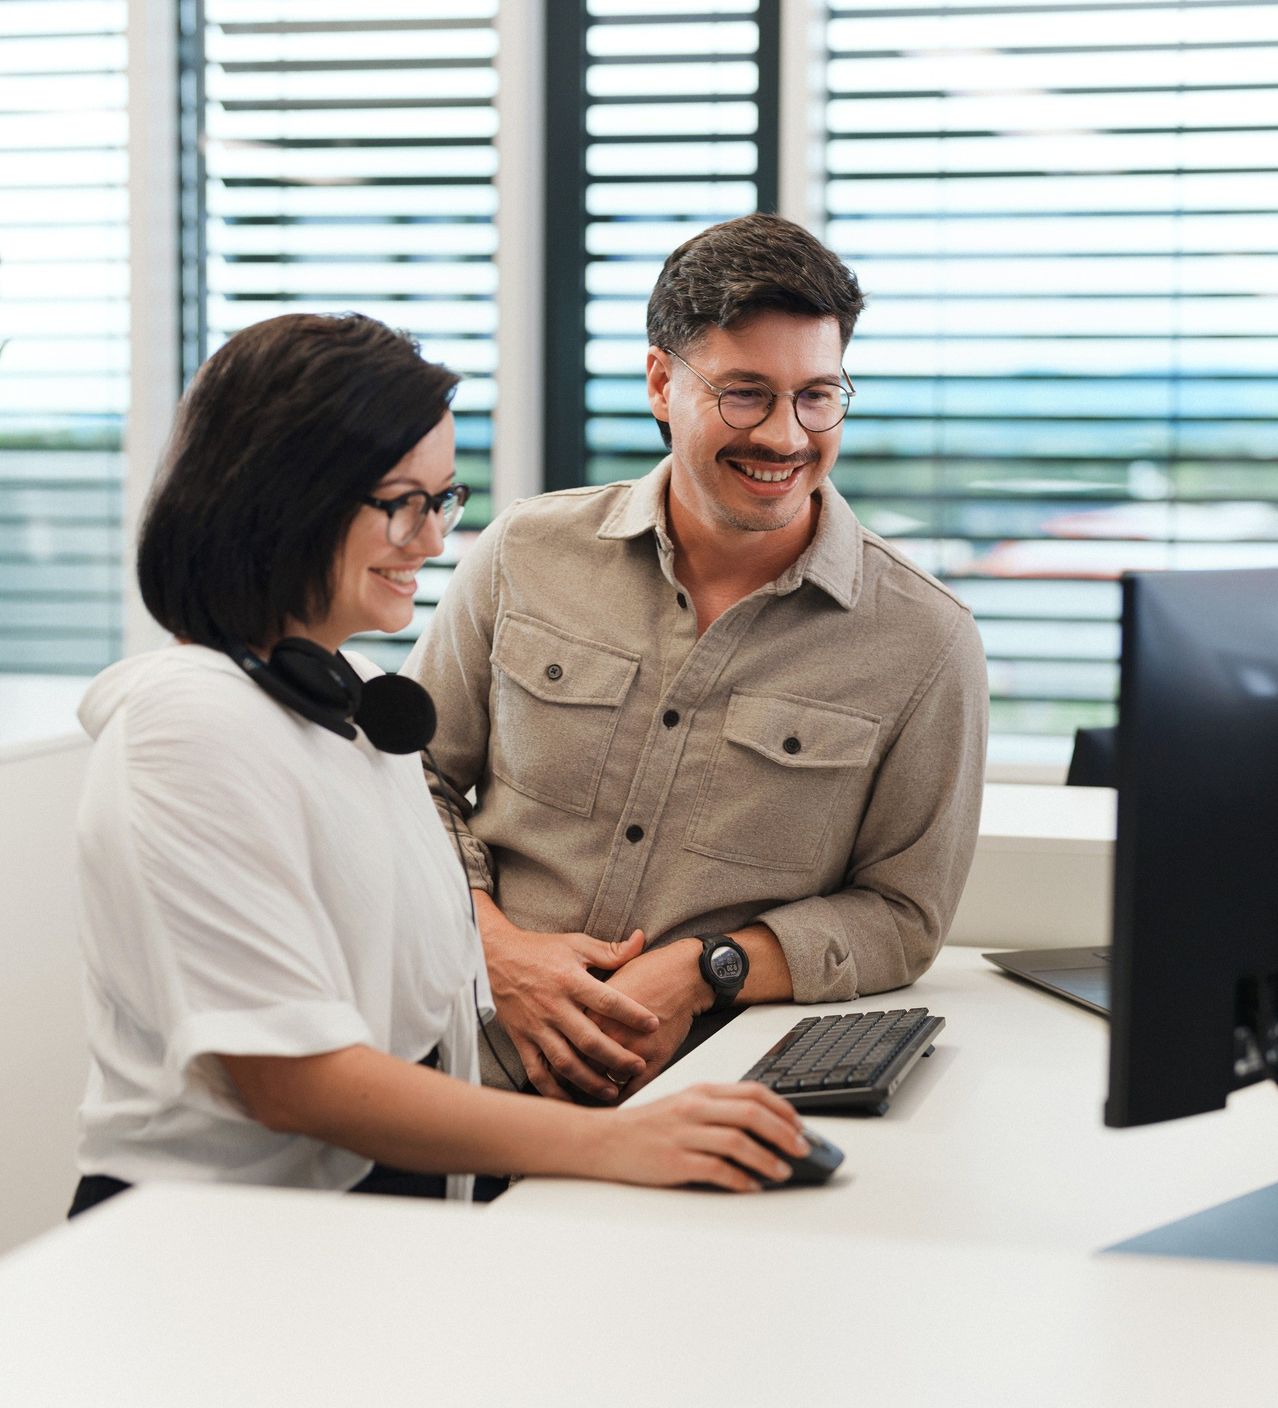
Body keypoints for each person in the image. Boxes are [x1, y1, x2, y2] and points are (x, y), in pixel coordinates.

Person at [68, 311, 808, 1215]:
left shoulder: (352, 698)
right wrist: (619, 1142)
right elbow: (290, 1081)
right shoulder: (188, 731)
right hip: (220, 1239)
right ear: (281, 499)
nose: (430, 541)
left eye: (444, 499)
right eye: (400, 504)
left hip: (370, 1214)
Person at [403, 213, 988, 1103]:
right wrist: (496, 949)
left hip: (705, 1099)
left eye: (817, 395)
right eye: (745, 393)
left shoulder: (925, 641)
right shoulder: (526, 551)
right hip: (457, 1062)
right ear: (659, 382)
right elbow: (413, 780)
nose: (787, 438)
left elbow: (902, 916)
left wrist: (705, 970)